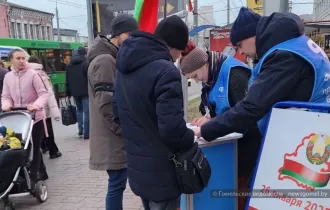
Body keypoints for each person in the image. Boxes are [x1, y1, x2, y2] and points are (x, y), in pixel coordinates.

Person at [191, 8, 330, 208]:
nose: (239, 52)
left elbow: (251, 107)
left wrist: (205, 130)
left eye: (239, 45)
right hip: (309, 138)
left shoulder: (284, 56)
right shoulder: (294, 44)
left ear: (252, 36)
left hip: (302, 148)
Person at [115, 15, 195, 210]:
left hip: (137, 169)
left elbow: (117, 115)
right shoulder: (166, 71)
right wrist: (190, 137)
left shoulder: (123, 68)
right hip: (163, 172)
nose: (178, 57)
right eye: (180, 51)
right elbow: (171, 129)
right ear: (174, 46)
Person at [180, 46, 262, 209]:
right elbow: (223, 107)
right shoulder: (213, 73)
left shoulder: (235, 73)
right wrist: (209, 118)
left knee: (238, 189)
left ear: (204, 65)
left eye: (195, 76)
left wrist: (209, 127)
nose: (196, 80)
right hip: (231, 142)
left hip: (247, 143)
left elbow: (242, 114)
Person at [87, 14, 138, 210]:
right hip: (111, 137)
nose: (132, 38)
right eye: (129, 33)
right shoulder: (105, 61)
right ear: (117, 34)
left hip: (112, 135)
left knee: (117, 183)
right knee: (116, 184)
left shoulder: (110, 57)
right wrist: (122, 129)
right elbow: (106, 104)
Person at [1, 49, 49, 187]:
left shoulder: (33, 74)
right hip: (18, 118)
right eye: (18, 58)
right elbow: (5, 96)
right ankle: (38, 172)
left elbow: (43, 94)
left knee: (34, 147)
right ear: (11, 60)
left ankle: (33, 177)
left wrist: (36, 105)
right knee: (23, 147)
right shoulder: (8, 77)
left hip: (35, 117)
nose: (22, 61)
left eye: (23, 58)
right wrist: (6, 105)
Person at [28, 56, 62, 160]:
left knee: (37, 129)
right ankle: (53, 150)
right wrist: (55, 112)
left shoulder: (25, 74)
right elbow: (49, 94)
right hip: (43, 107)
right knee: (48, 129)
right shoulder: (41, 74)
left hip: (31, 108)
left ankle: (43, 147)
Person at [66, 47, 89, 139]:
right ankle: (87, 133)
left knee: (79, 110)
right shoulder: (85, 64)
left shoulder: (69, 65)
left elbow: (67, 80)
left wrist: (68, 93)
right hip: (85, 91)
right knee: (87, 112)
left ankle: (80, 130)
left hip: (75, 92)